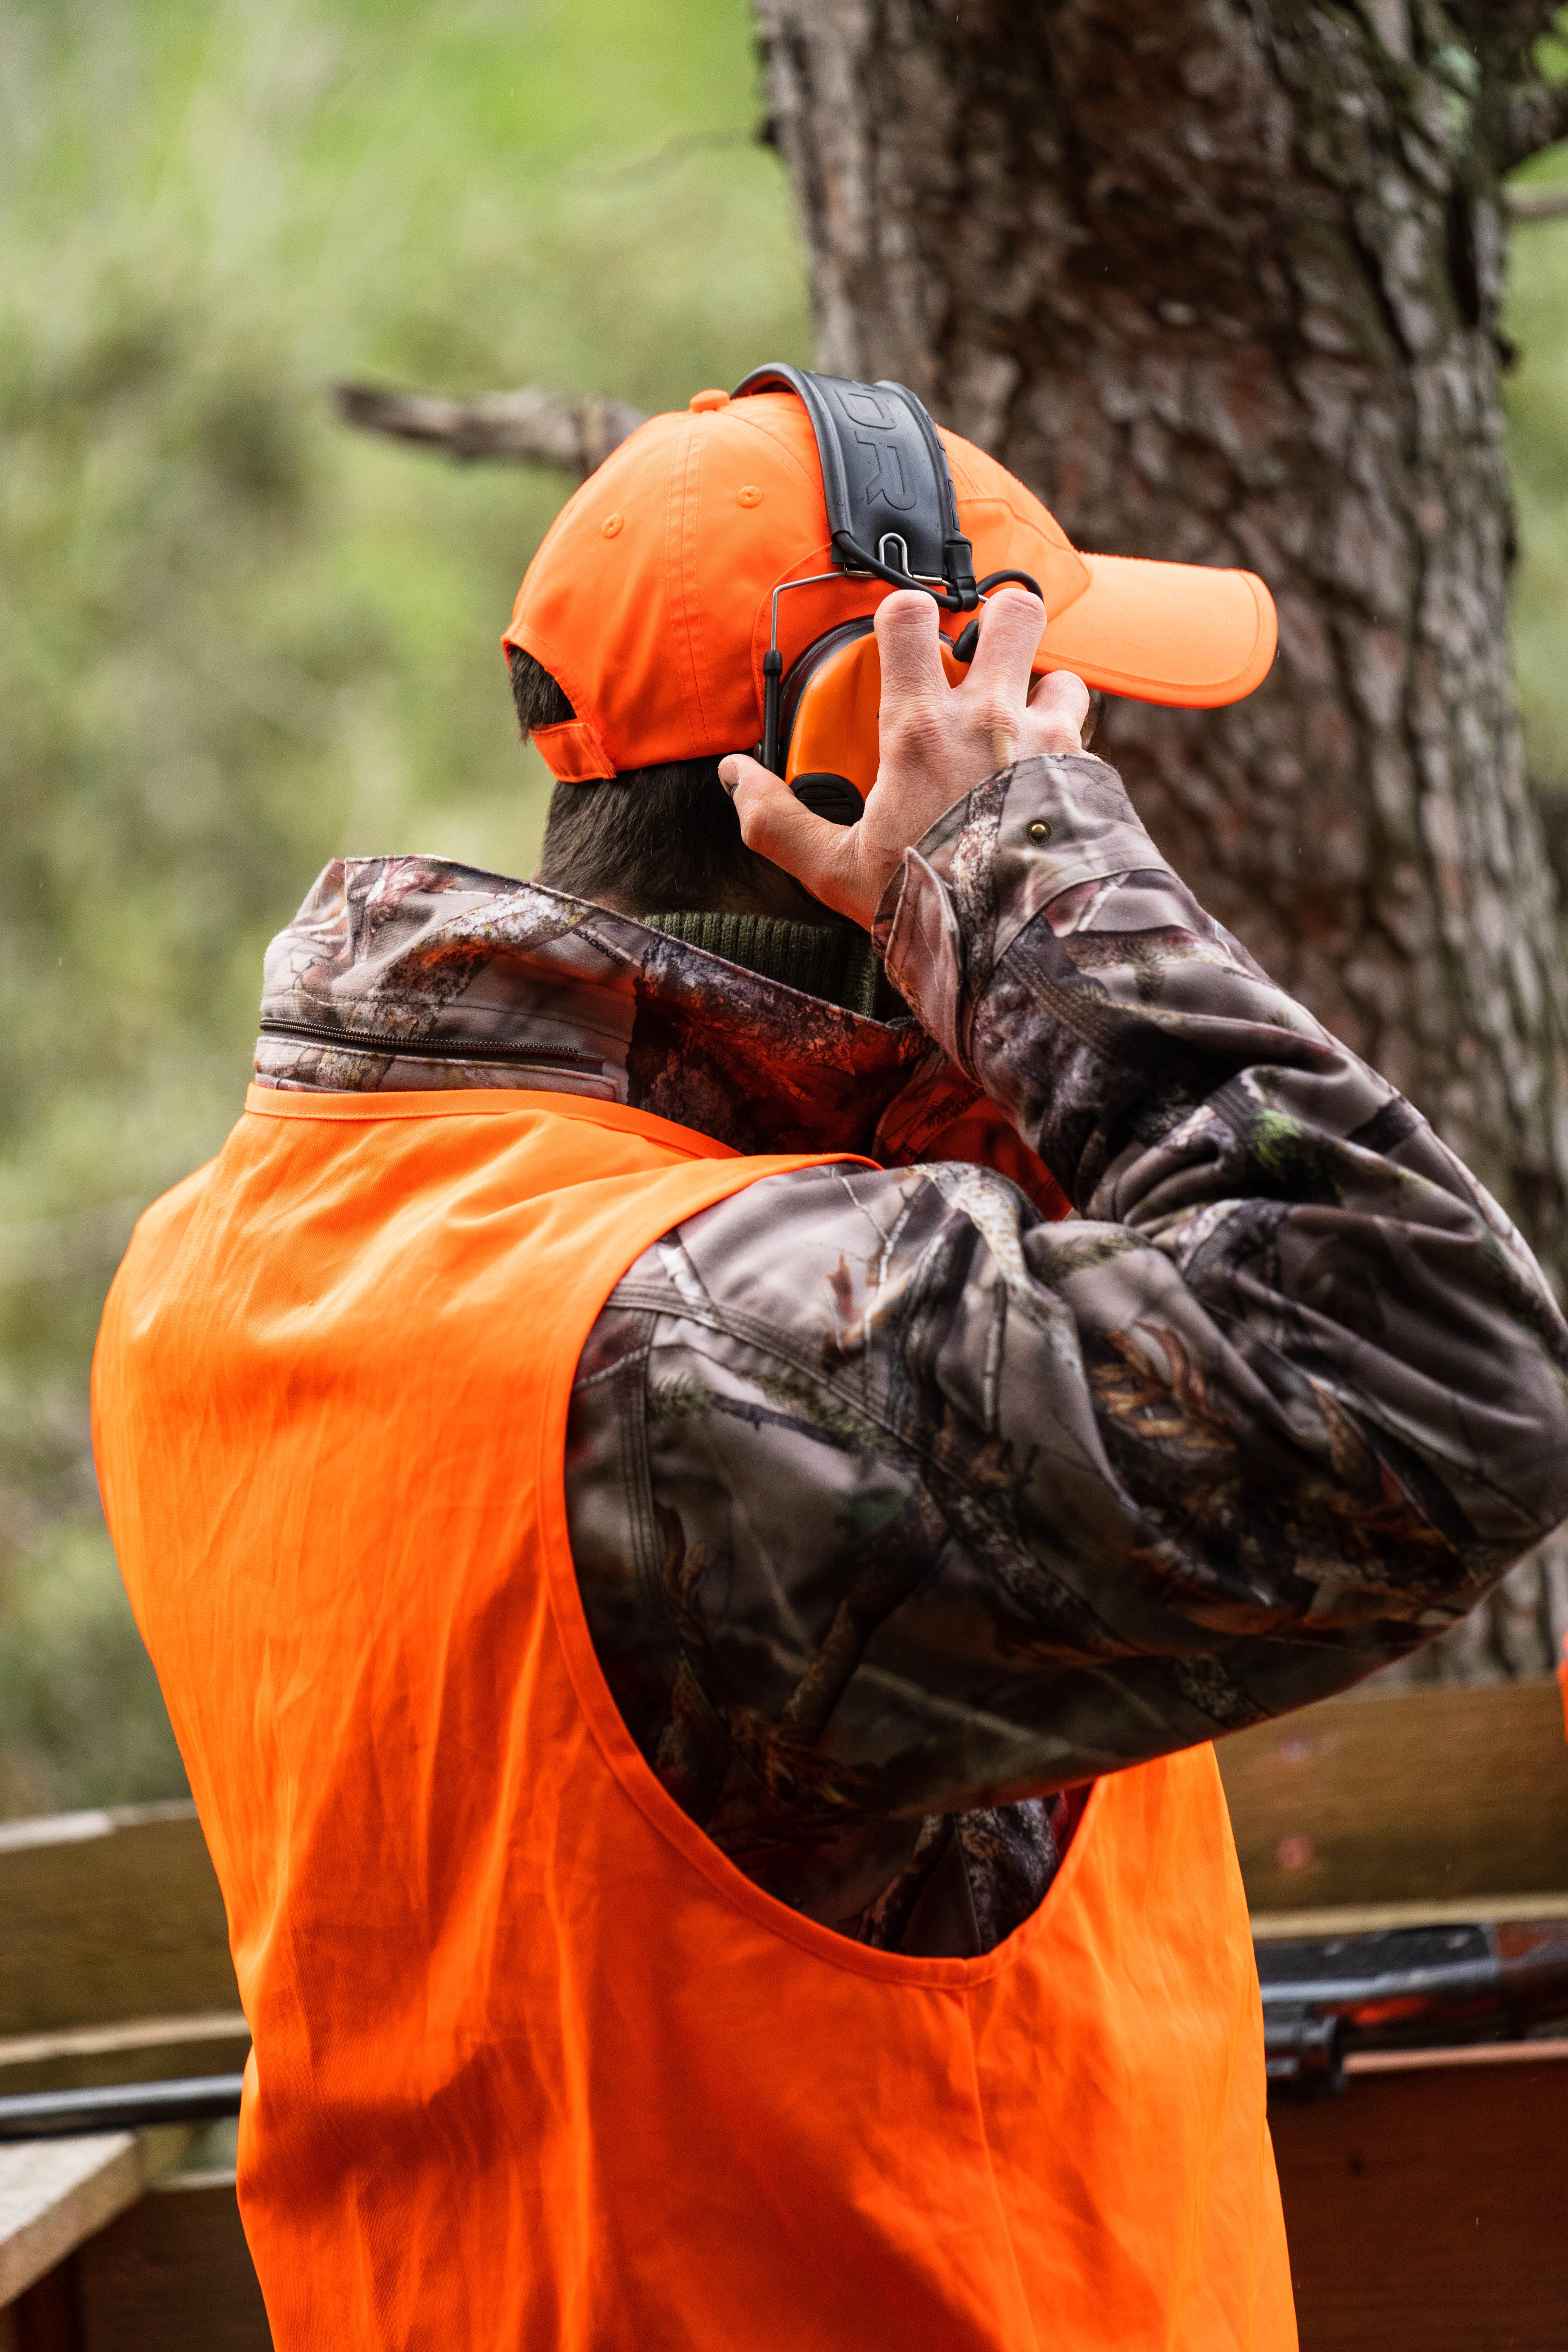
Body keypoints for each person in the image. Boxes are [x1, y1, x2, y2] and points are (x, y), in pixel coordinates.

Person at [93, 370, 1568, 2352]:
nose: (1096, 778)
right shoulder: (717, 1335)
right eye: (1049, 729)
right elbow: (1444, 1374)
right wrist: (1018, 881)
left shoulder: (238, 1252)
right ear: (876, 747)